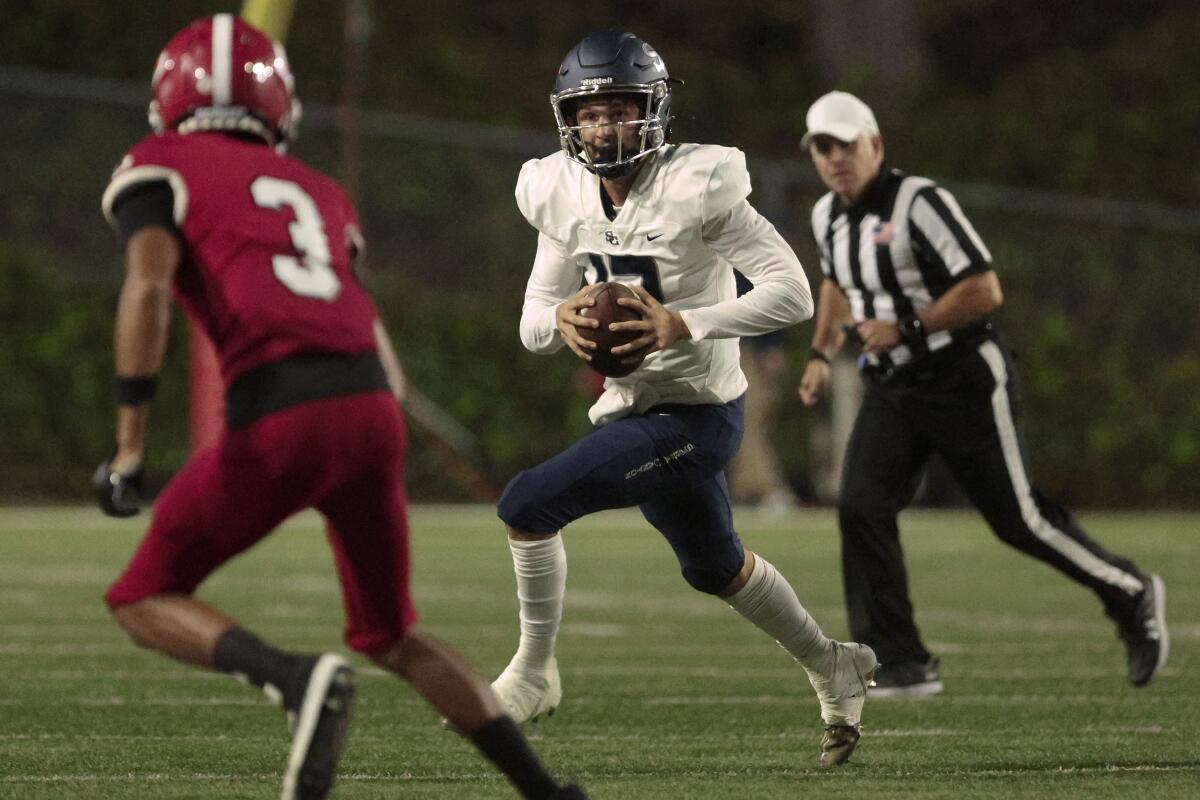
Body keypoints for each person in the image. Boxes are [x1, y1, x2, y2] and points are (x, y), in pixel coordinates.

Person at [93, 15, 586, 800]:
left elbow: (147, 287)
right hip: (369, 409)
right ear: (279, 105)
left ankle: (292, 680)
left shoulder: (159, 163)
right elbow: (372, 338)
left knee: (139, 595)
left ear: (168, 96)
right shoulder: (322, 193)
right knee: (390, 633)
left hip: (281, 411)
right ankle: (550, 793)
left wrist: (128, 444)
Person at [491, 30, 877, 768]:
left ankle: (535, 672)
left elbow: (792, 292)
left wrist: (685, 321)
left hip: (698, 412)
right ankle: (835, 665)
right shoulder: (558, 191)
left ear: (655, 111)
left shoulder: (697, 185)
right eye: (590, 113)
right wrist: (563, 318)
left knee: (527, 504)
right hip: (633, 404)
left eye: (621, 110)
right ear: (568, 121)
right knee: (715, 567)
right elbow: (533, 322)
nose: (605, 127)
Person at [796, 90, 1169, 697]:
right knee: (861, 505)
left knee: (1018, 521)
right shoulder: (826, 216)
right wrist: (820, 351)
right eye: (822, 148)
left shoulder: (920, 201)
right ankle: (901, 659)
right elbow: (837, 281)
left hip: (962, 375)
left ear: (876, 145)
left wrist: (908, 326)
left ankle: (1129, 592)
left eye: (845, 144)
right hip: (894, 383)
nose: (835, 158)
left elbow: (984, 289)